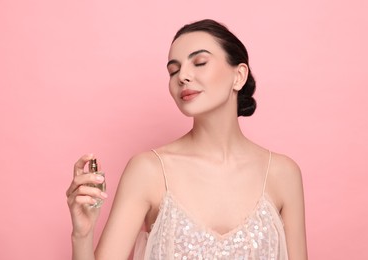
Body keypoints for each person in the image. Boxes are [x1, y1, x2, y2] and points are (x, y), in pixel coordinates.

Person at [66, 19, 307, 259]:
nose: (182, 76)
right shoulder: (148, 170)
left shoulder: (282, 173)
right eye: (173, 70)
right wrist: (82, 234)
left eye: (200, 62)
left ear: (239, 76)